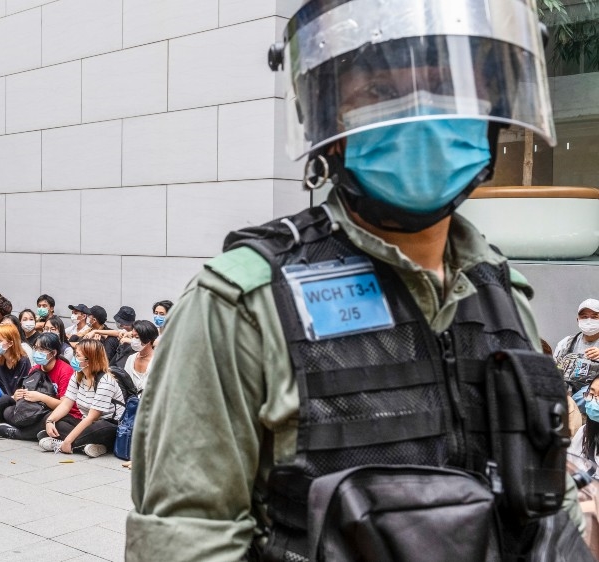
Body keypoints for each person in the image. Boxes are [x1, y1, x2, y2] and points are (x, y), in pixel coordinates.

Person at [127, 2, 587, 560]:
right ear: (330, 124)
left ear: (493, 112)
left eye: (448, 87)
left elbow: (546, 508)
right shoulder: (242, 302)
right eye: (378, 91)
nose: (419, 115)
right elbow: (186, 542)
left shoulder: (502, 294)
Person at [38, 339, 122, 458]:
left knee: (100, 428)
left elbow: (93, 417)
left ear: (90, 360)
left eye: (78, 355)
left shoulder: (105, 381)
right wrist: (50, 421)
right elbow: (66, 404)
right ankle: (86, 446)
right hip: (85, 422)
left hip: (108, 424)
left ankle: (65, 444)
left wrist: (68, 441)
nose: (74, 358)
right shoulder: (77, 375)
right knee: (53, 418)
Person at [554, 299, 599, 391]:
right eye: (584, 317)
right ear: (578, 320)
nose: (589, 321)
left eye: (594, 317)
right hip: (567, 396)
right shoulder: (566, 343)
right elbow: (553, 371)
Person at [123, 320, 157, 391]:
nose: (134, 340)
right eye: (132, 336)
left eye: (137, 337)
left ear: (148, 340)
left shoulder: (158, 362)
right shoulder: (131, 359)